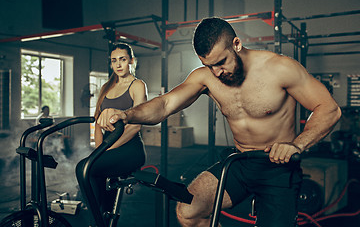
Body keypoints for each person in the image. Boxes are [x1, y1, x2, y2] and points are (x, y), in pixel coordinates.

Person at [97, 18, 341, 227]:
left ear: (236, 44)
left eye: (221, 62)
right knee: (188, 212)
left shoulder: (280, 68)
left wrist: (297, 144)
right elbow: (164, 105)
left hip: (278, 167)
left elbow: (329, 109)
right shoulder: (206, 77)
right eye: (208, 65)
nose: (216, 72)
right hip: (240, 162)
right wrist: (127, 114)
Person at [76, 43, 148, 224]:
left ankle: (96, 220)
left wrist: (106, 150)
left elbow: (136, 126)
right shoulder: (106, 87)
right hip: (107, 147)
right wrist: (99, 150)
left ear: (131, 61)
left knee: (85, 168)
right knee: (88, 169)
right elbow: (98, 124)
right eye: (114, 61)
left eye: (122, 59)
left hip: (130, 148)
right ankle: (101, 215)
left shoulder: (137, 85)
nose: (118, 64)